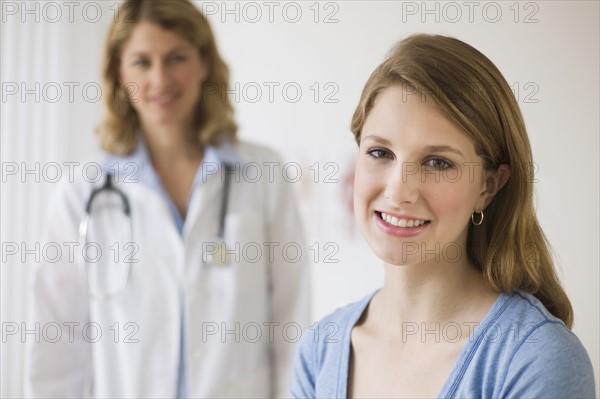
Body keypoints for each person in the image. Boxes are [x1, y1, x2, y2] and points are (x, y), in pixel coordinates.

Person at [26, 0, 310, 397]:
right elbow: (57, 346)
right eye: (141, 62)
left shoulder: (263, 173)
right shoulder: (82, 192)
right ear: (118, 72)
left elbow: (291, 324)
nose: (160, 79)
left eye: (176, 58)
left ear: (204, 63)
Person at [290, 34, 595, 398]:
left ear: (489, 186)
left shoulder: (536, 360)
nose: (398, 191)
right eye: (380, 152)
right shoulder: (321, 350)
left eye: (438, 162)